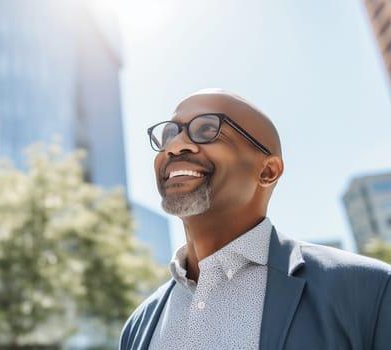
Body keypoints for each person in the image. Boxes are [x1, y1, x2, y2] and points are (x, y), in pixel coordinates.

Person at [119, 89, 391, 350]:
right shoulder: (138, 326)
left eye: (206, 130)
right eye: (168, 134)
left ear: (268, 171)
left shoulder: (371, 292)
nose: (175, 146)